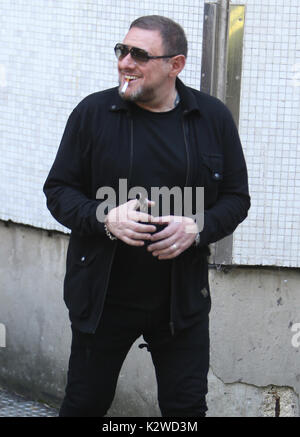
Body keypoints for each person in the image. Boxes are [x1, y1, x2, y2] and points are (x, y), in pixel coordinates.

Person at [43, 15, 250, 417]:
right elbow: (58, 191)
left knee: (186, 410)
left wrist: (198, 227)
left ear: (176, 65)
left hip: (181, 300)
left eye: (140, 54)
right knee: (84, 404)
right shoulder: (93, 113)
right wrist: (105, 218)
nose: (125, 62)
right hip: (104, 298)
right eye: (122, 51)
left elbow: (236, 198)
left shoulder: (211, 118)